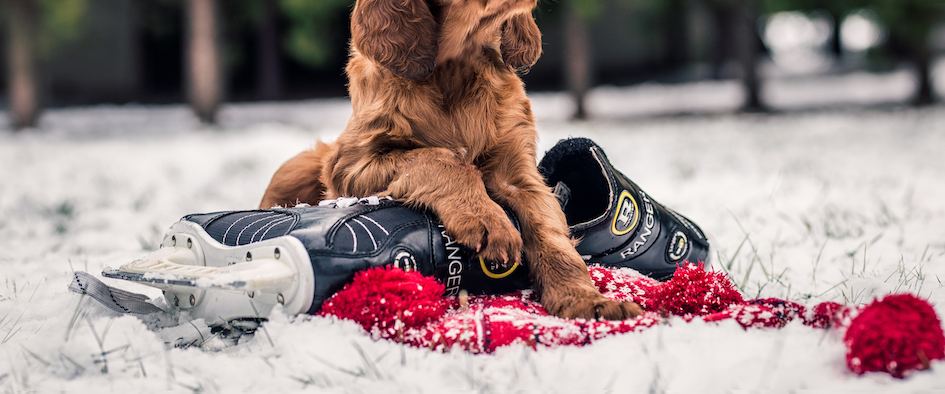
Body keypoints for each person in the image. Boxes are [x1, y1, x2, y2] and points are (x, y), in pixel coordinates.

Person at [86, 138, 709, 322]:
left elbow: (522, 182)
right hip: (381, 194)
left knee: (520, 184)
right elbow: (354, 163)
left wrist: (571, 286)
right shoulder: (387, 71)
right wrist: (452, 181)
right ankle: (272, 234)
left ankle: (302, 260)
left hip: (452, 229)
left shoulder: (495, 80)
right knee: (301, 170)